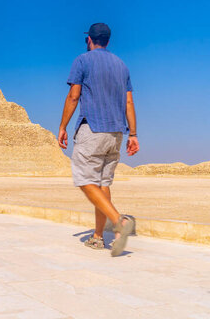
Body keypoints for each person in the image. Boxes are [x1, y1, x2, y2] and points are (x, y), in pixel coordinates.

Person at [58, 23, 139, 257]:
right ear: (108, 41)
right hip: (116, 132)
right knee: (103, 184)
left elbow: (74, 96)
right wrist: (133, 134)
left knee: (84, 180)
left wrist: (63, 126)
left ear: (89, 40)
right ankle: (98, 237)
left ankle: (119, 222)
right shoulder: (122, 66)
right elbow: (129, 102)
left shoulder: (82, 60)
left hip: (92, 128)